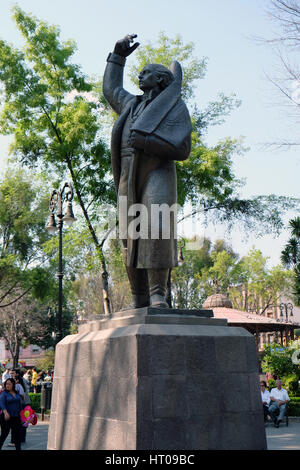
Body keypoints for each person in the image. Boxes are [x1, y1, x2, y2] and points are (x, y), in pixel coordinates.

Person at [103, 34, 192, 309]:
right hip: (128, 173)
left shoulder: (173, 107)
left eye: (146, 73)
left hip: (157, 170)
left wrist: (148, 142)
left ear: (162, 79)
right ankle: (138, 296)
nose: (140, 75)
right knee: (131, 234)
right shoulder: (131, 105)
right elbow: (110, 88)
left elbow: (183, 148)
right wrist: (117, 57)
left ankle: (157, 294)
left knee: (156, 227)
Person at [0, 378, 23, 450]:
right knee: (4, 434)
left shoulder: (17, 393)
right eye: (6, 384)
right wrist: (5, 412)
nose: (7, 385)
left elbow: (20, 405)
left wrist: (23, 415)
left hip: (16, 417)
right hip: (7, 417)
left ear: (13, 385)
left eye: (9, 384)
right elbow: (2, 404)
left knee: (17, 436)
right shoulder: (4, 393)